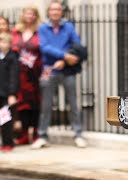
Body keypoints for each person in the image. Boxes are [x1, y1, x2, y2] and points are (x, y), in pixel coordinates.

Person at [31, 0, 87, 149]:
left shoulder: (68, 26)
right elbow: (44, 47)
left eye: (58, 9)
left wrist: (64, 60)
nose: (55, 12)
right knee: (46, 104)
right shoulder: (42, 27)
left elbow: (77, 44)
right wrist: (64, 56)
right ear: (48, 12)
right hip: (49, 69)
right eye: (52, 10)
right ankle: (42, 135)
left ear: (61, 12)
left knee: (73, 102)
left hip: (66, 69)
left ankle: (78, 134)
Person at [11, 5, 42, 145]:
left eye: (33, 14)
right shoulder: (15, 32)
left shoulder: (40, 31)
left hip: (36, 73)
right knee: (22, 103)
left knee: (36, 103)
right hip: (19, 73)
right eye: (27, 13)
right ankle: (23, 134)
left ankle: (35, 132)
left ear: (36, 16)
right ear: (23, 15)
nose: (30, 16)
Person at [0, 32, 20, 152]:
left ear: (10, 44)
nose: (1, 44)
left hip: (6, 95)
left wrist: (12, 94)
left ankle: (8, 142)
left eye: (3, 42)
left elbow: (14, 77)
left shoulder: (12, 58)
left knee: (6, 119)